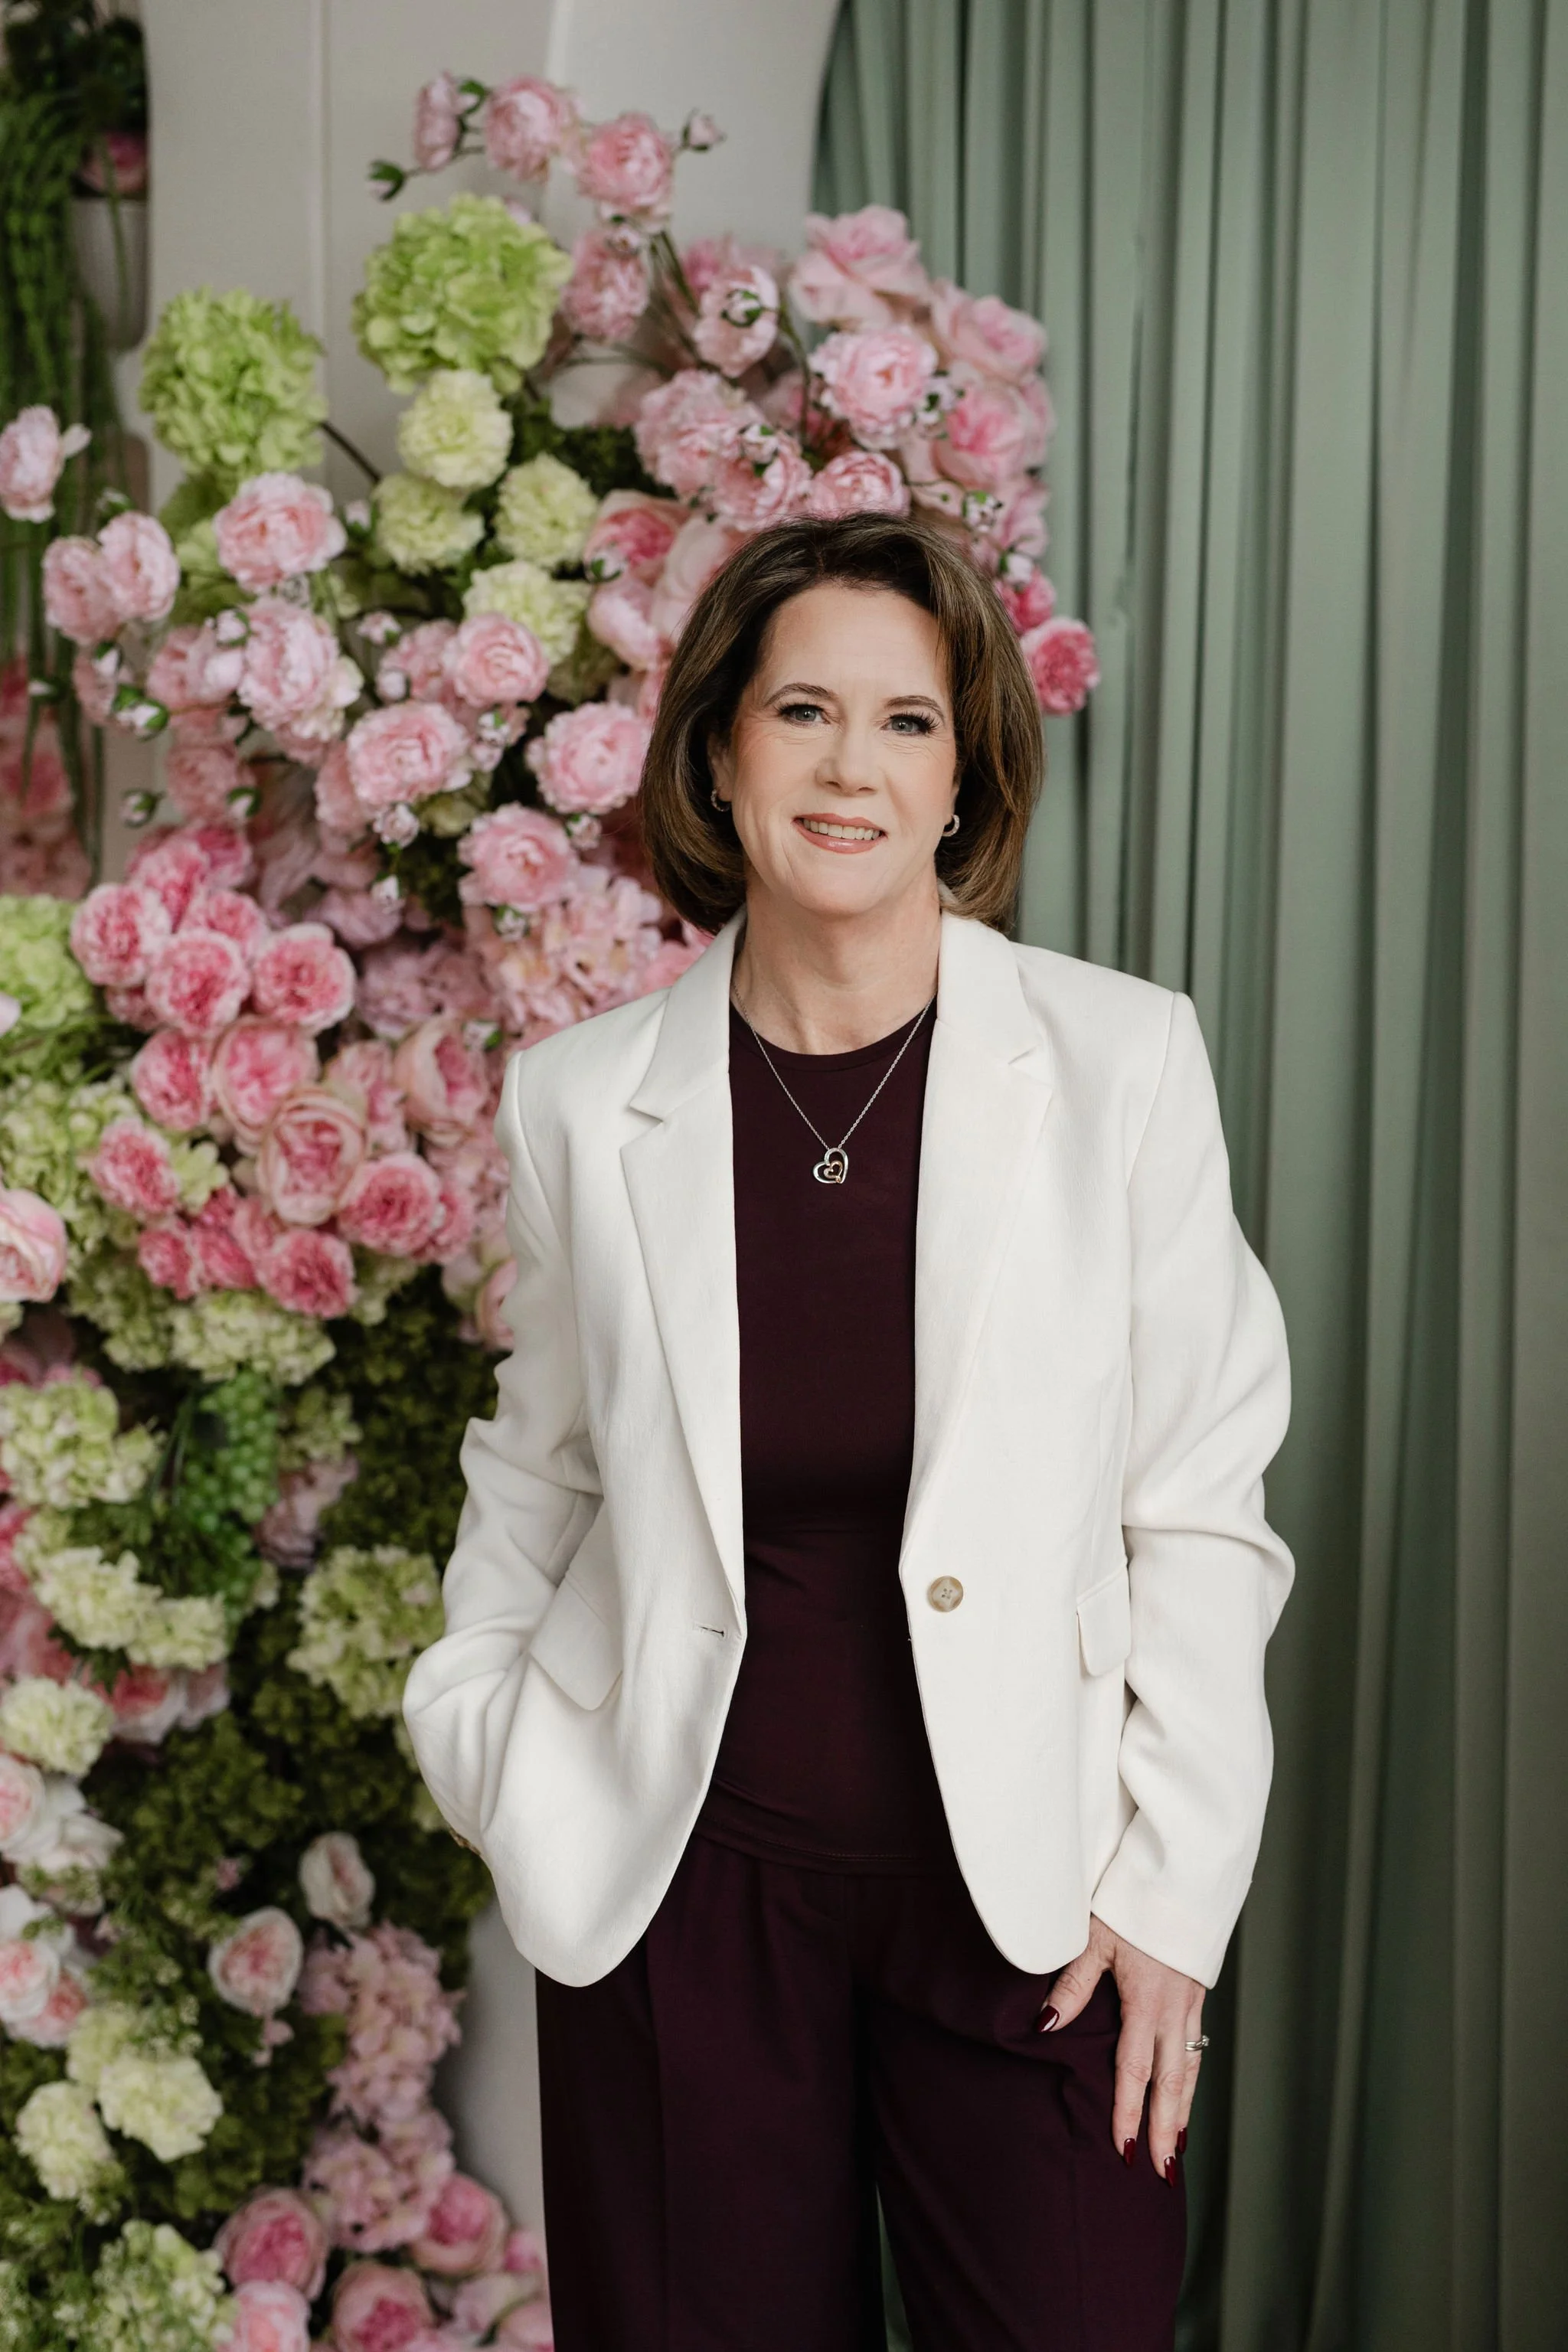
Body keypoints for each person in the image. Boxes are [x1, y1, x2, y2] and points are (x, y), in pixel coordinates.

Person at [402, 513, 1294, 2352]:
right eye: (802, 709)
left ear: (964, 771)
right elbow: (539, 1466)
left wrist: (1171, 1899)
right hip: (685, 1904)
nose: (848, 765)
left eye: (904, 721)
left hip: (1035, 1917)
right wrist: (483, 1728)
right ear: (720, 750)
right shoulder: (580, 1102)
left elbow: (1199, 1505)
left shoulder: (1121, 1063)